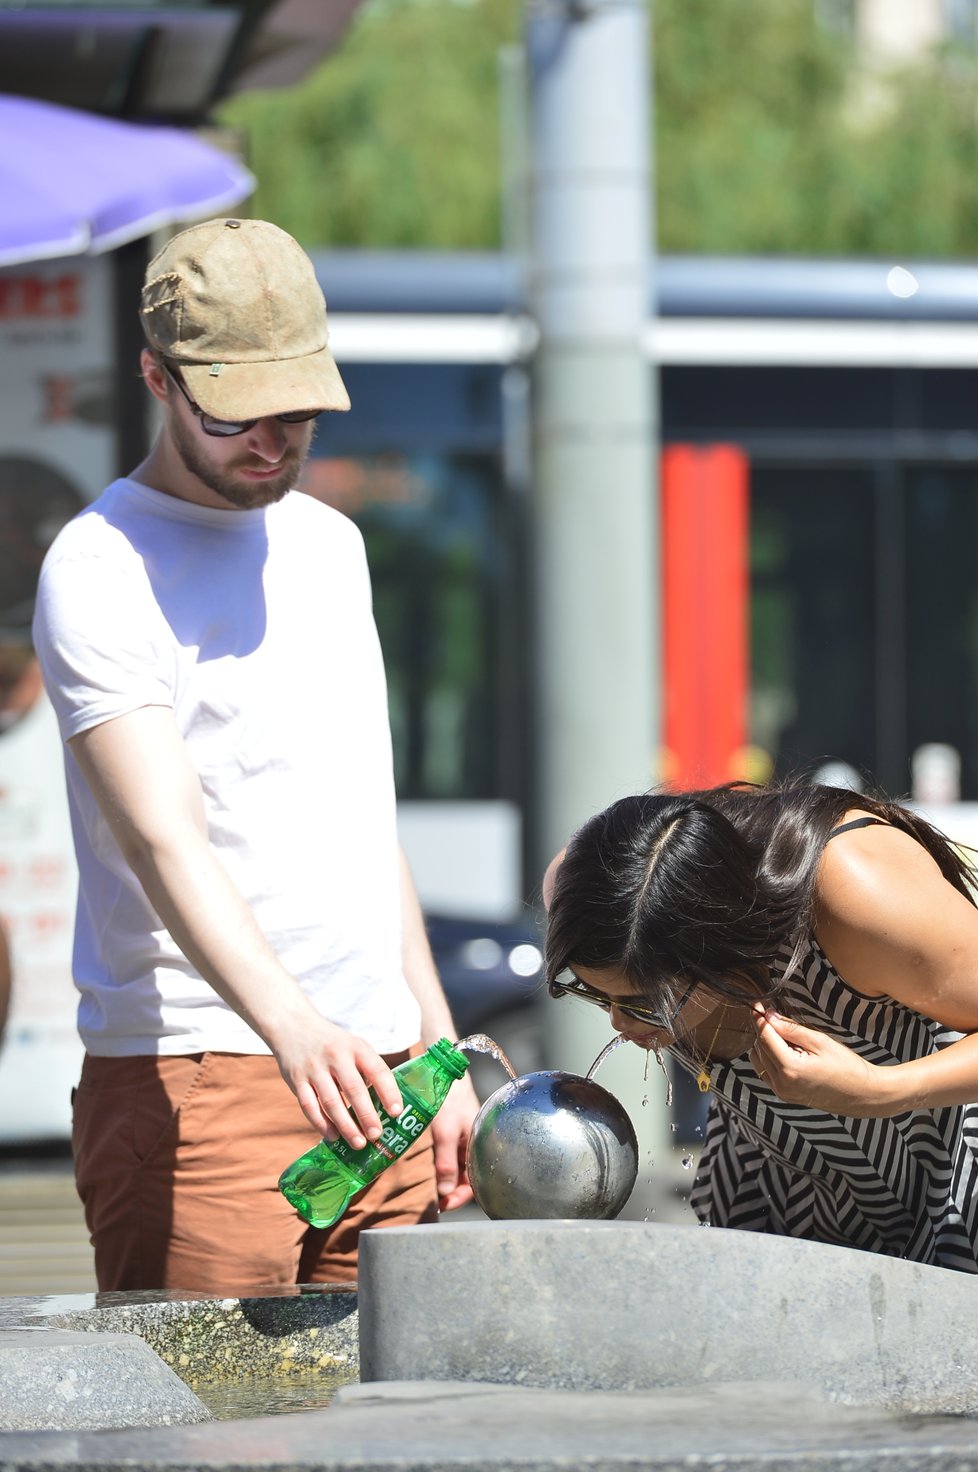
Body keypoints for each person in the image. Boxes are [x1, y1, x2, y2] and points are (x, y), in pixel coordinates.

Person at [32, 216, 479, 1293]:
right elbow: (161, 837)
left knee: (376, 1435)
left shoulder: (332, 547)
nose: (272, 441)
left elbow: (365, 826)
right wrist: (295, 1028)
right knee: (209, 1440)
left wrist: (440, 1047)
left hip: (381, 1079)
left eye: (297, 411)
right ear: (157, 376)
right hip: (202, 1070)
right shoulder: (100, 567)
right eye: (239, 414)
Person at [543, 779, 978, 1271]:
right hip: (784, 1199)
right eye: (594, 993)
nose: (620, 1023)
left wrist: (882, 1090)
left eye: (648, 1004)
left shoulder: (852, 893)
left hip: (953, 1194)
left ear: (722, 948)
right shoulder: (589, 887)